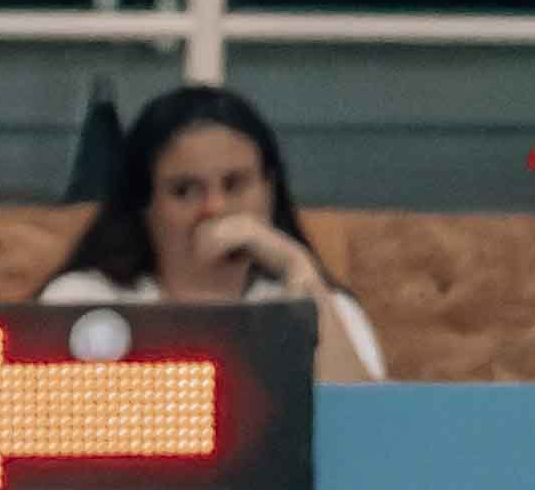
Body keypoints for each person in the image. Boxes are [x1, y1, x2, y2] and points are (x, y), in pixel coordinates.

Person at [41, 74, 386, 373]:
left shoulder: (323, 306)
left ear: (270, 189)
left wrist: (297, 266)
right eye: (185, 190)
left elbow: (370, 430)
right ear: (144, 204)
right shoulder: (83, 300)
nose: (215, 207)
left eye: (235, 185)